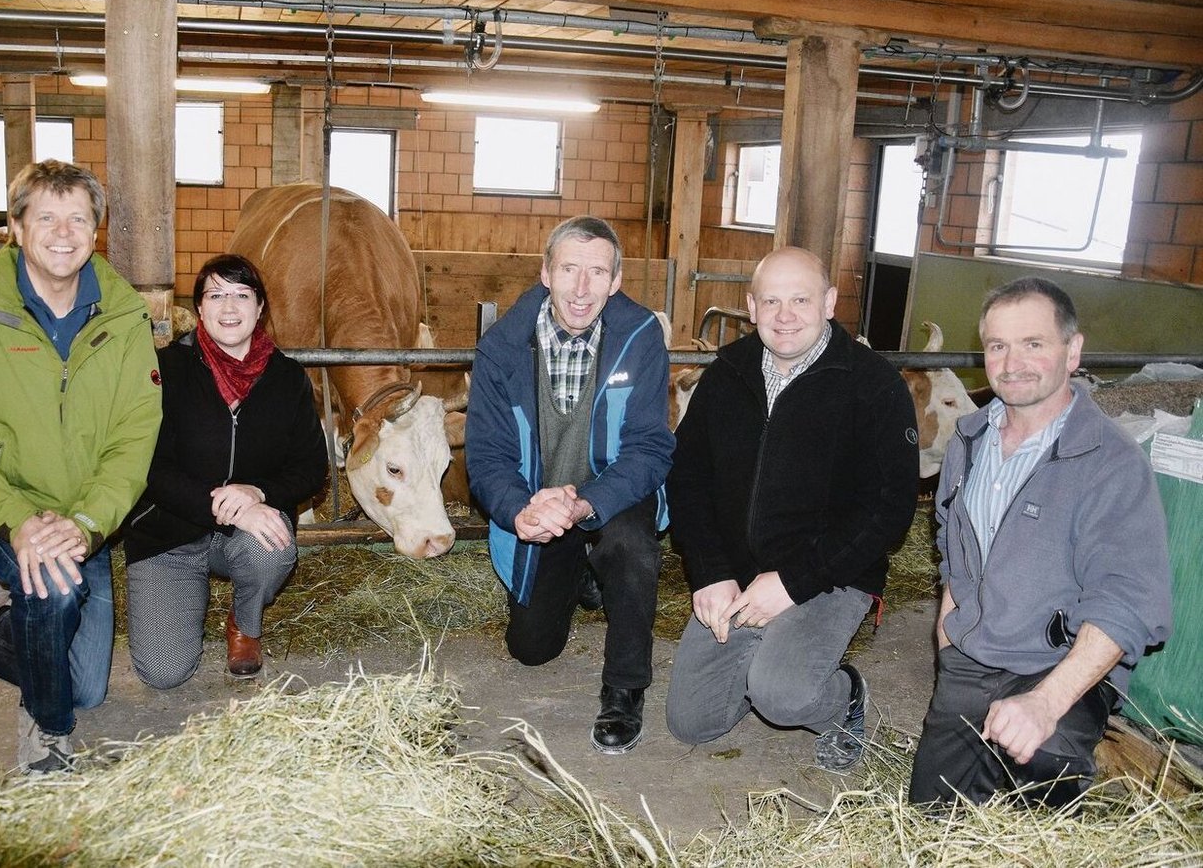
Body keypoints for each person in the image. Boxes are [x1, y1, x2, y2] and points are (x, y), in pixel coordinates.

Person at [0, 160, 162, 773]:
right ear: (18, 229)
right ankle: (46, 729)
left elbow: (134, 437)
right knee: (54, 593)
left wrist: (86, 521)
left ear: (95, 231)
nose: (62, 231)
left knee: (88, 686)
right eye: (45, 217)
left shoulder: (124, 316)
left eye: (77, 217)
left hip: (84, 514)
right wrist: (17, 521)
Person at [909, 278, 1172, 807]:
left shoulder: (1112, 462)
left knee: (1034, 811)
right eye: (997, 346)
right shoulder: (967, 441)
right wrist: (950, 659)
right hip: (971, 661)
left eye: (1034, 344)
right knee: (931, 824)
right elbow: (954, 556)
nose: (1012, 363)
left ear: (1072, 351)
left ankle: (1083, 743)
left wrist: (1045, 703)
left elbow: (1127, 600)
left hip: (1053, 667)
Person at [665, 246, 919, 772]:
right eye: (771, 301)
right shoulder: (726, 375)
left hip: (829, 574)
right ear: (751, 308)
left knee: (781, 697)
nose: (785, 316)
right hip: (737, 574)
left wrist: (792, 583)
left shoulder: (872, 386)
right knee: (693, 722)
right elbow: (687, 477)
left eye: (801, 299)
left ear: (828, 302)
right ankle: (768, 653)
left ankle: (842, 695)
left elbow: (889, 510)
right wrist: (709, 572)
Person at [466, 216, 674, 754]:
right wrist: (519, 510)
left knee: (630, 545)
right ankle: (582, 572)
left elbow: (648, 448)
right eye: (570, 270)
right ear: (546, 273)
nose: (582, 289)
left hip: (611, 493)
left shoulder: (640, 338)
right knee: (532, 649)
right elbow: (488, 456)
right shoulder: (501, 348)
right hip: (541, 503)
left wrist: (586, 503)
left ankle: (626, 688)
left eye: (597, 272)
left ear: (616, 280)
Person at [122, 254, 328, 687]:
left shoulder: (288, 378)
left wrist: (257, 492)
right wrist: (224, 504)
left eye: (241, 295)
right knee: (164, 673)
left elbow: (312, 467)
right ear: (199, 308)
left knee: (270, 548)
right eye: (216, 295)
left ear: (259, 308)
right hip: (170, 533)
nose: (229, 308)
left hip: (242, 534)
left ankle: (245, 622)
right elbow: (146, 465)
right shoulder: (165, 370)